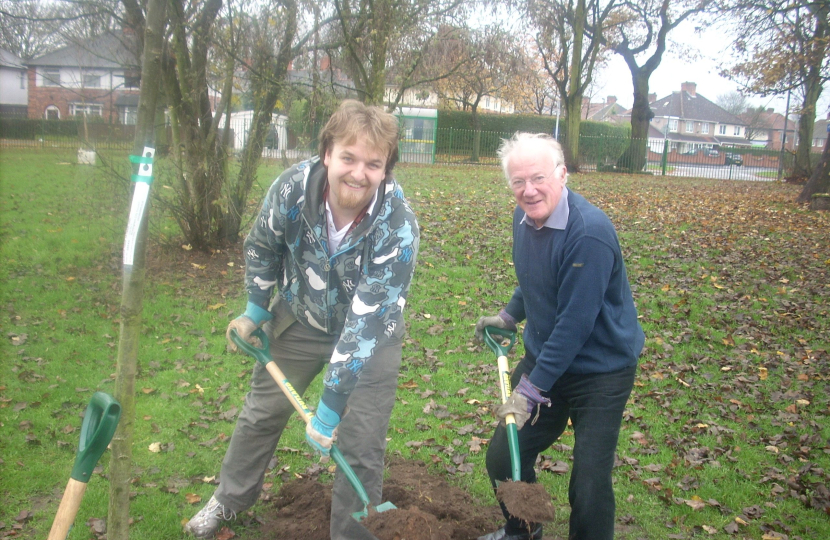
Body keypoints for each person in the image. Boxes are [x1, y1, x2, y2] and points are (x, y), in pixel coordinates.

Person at [185, 100, 419, 539]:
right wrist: (257, 307)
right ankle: (229, 499)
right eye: (348, 157)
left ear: (386, 169)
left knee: (360, 441)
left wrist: (329, 411)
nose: (358, 173)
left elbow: (364, 326)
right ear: (327, 153)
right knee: (261, 414)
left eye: (374, 163)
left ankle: (352, 534)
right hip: (301, 317)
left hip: (372, 336)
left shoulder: (398, 227)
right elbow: (261, 245)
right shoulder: (292, 188)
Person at [474, 133, 644, 540]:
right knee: (504, 456)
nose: (529, 190)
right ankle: (523, 529)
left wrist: (531, 391)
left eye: (538, 177)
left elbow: (575, 324)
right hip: (546, 360)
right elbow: (537, 279)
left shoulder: (589, 233)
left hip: (600, 371)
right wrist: (509, 315)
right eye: (518, 181)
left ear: (562, 174)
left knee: (588, 480)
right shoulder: (525, 218)